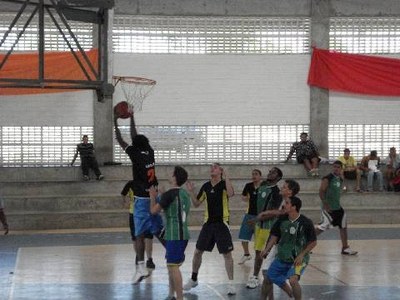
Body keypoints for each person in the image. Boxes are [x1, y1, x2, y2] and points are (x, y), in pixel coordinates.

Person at [114, 112, 162, 284]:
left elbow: (121, 139)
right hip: (155, 195)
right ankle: (173, 252)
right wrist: (132, 117)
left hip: (142, 199)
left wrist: (115, 120)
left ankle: (141, 266)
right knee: (157, 229)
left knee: (139, 234)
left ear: (135, 145)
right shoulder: (150, 151)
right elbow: (135, 135)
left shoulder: (134, 153)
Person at [183, 163, 236, 296]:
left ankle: (231, 284)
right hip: (208, 223)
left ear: (220, 171)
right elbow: (196, 203)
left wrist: (227, 176)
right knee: (197, 252)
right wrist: (191, 192)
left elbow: (231, 194)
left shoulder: (224, 184)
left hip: (222, 223)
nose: (212, 169)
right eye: (211, 167)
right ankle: (194, 279)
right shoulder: (206, 186)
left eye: (215, 167)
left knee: (227, 255)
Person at [260, 196, 317, 300]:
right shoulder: (281, 220)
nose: (283, 205)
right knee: (268, 277)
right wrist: (266, 250)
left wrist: (301, 255)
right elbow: (274, 236)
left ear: (294, 207)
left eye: (287, 203)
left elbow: (313, 242)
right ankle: (282, 289)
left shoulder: (306, 222)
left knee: (293, 280)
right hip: (282, 257)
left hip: (298, 259)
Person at [149, 166, 193, 300]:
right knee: (171, 265)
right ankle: (170, 294)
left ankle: (179, 297)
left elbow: (153, 211)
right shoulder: (185, 193)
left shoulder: (170, 194)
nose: (169, 173)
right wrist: (162, 196)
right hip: (183, 233)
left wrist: (153, 197)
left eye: (171, 173)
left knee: (173, 267)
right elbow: (175, 206)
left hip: (174, 235)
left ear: (175, 177)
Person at [259, 179, 301, 299]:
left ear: (290, 191)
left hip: (282, 244)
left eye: (284, 187)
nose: (281, 188)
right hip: (275, 241)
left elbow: (283, 215)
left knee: (268, 274)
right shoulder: (283, 201)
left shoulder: (292, 205)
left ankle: (287, 289)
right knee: (267, 274)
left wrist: (267, 212)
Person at [246, 167, 283, 289]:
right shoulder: (262, 186)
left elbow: (272, 212)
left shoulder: (276, 192)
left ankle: (263, 277)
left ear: (278, 178)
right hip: (259, 226)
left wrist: (257, 219)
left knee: (264, 254)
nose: (270, 173)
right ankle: (256, 277)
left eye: (273, 172)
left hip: (268, 227)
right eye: (270, 171)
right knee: (257, 252)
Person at [315, 160, 358, 255]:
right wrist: (325, 204)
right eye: (334, 167)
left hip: (338, 207)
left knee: (343, 226)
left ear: (341, 169)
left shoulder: (340, 178)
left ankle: (345, 248)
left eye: (338, 167)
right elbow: (321, 191)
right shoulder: (327, 178)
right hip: (328, 208)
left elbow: (339, 189)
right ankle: (304, 243)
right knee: (322, 227)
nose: (336, 168)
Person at [121, 180, 155, 269]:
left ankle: (149, 258)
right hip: (134, 213)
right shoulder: (131, 183)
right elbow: (123, 193)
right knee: (135, 236)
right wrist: (125, 202)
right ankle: (138, 256)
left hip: (147, 212)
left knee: (148, 236)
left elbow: (154, 195)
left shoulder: (150, 183)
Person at [237, 169, 262, 265]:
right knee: (243, 236)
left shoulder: (264, 186)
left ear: (260, 176)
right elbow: (243, 196)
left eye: (256, 174)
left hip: (260, 216)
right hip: (249, 214)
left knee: (259, 239)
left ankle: (258, 257)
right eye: (253, 174)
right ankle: (246, 254)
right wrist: (246, 198)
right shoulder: (248, 186)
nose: (254, 176)